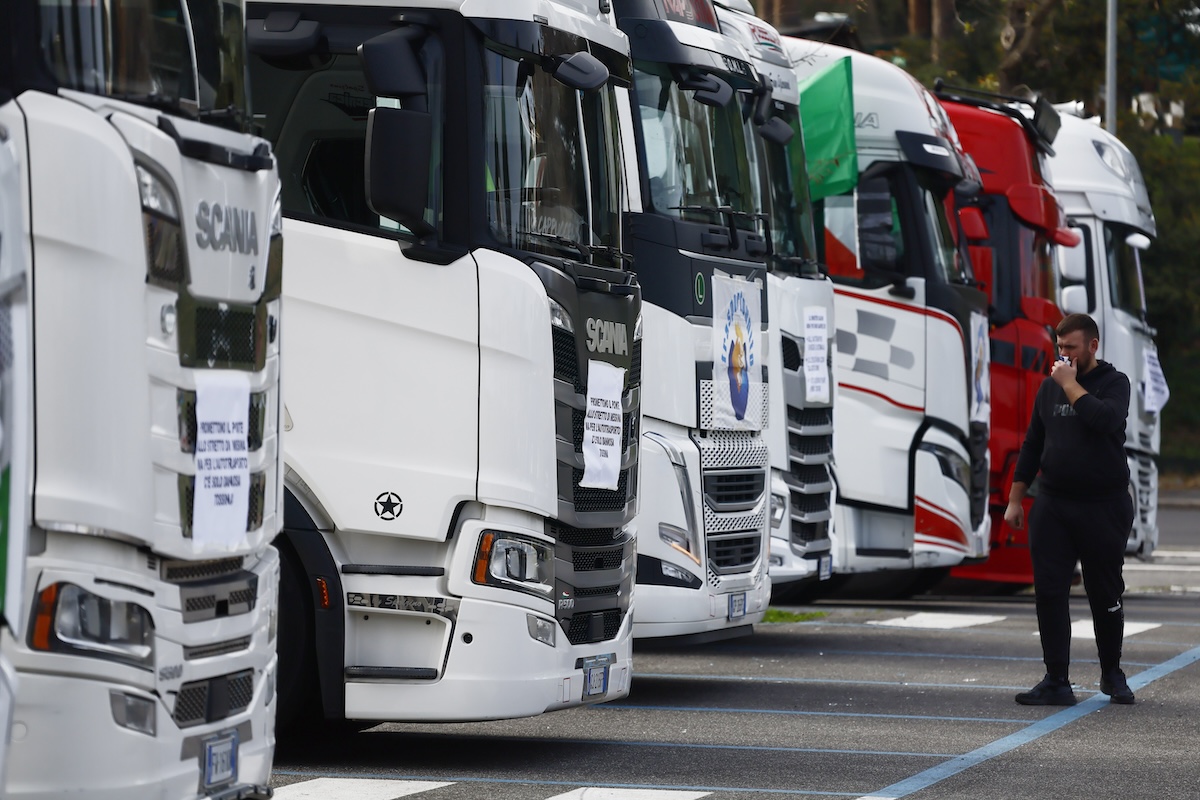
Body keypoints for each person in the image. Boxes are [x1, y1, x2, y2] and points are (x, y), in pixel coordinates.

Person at [1004, 313, 1136, 706]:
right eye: (1059, 347)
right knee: (1049, 591)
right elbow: (1032, 444)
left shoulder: (1114, 383)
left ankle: (1112, 674)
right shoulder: (1049, 388)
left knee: (1104, 590)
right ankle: (1056, 680)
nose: (1063, 355)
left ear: (1092, 346)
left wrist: (1071, 385)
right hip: (1055, 504)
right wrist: (1015, 498)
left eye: (1071, 347)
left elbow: (1104, 420)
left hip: (1103, 506)